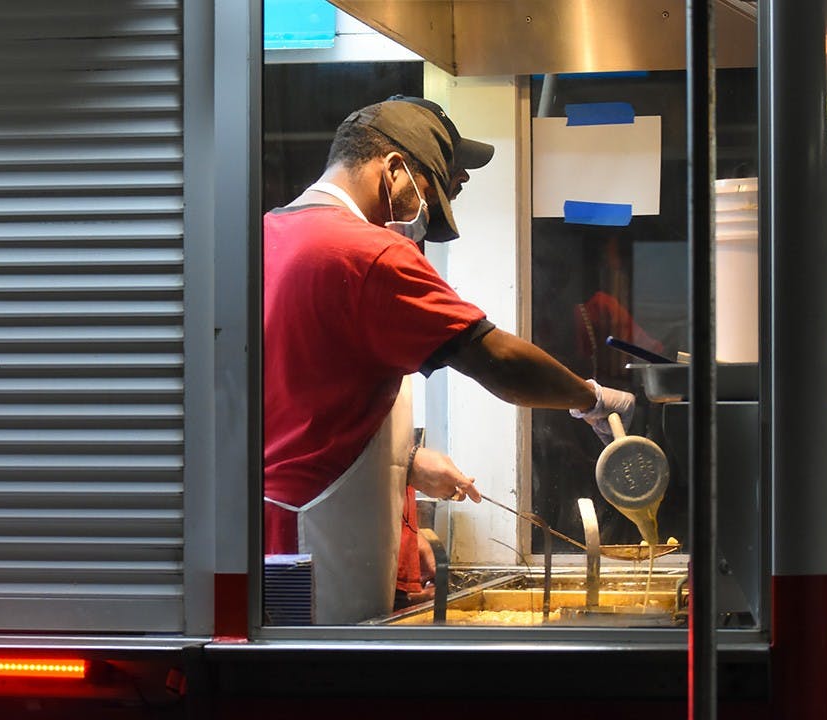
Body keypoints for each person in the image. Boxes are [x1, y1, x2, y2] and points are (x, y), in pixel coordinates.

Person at [263, 96, 634, 624]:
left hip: (270, 537)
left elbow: (299, 398)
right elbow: (500, 361)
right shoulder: (366, 253)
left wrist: (402, 471)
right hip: (322, 541)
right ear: (392, 169)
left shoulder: (268, 234)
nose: (431, 218)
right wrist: (591, 398)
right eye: (435, 192)